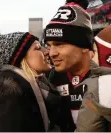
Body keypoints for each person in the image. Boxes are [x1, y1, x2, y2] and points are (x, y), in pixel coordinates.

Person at [44, 0, 96, 131]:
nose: (51, 53)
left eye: (59, 44)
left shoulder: (109, 78)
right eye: (49, 45)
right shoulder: (51, 78)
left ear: (84, 46)